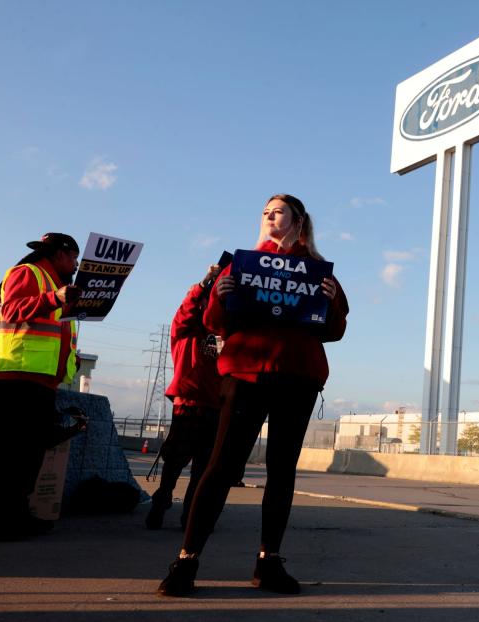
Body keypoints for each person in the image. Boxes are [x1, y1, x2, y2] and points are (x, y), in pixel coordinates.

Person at [158, 194, 348, 596]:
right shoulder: (240, 266)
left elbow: (334, 329)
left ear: (299, 222)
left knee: (282, 471)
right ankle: (187, 560)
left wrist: (330, 303)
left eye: (277, 211)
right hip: (246, 375)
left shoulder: (316, 271)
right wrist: (221, 295)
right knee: (221, 466)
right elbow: (214, 325)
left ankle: (269, 562)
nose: (268, 216)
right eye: (265, 212)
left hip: (298, 378)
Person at [0, 233, 83, 540]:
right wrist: (56, 299)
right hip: (18, 375)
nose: (75, 265)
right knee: (14, 453)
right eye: (73, 258)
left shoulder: (56, 286)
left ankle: (14, 514)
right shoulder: (29, 273)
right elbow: (10, 311)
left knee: (26, 452)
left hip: (36, 377)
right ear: (60, 254)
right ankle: (1, 520)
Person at [145, 264, 224, 530]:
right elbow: (186, 309)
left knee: (203, 471)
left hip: (215, 410)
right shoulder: (184, 333)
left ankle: (190, 516)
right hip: (188, 407)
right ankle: (162, 501)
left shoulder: (222, 337)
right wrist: (204, 284)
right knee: (174, 465)